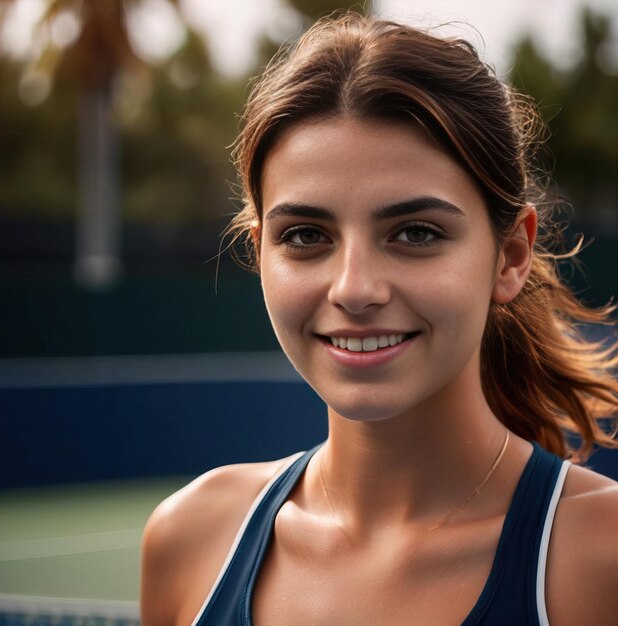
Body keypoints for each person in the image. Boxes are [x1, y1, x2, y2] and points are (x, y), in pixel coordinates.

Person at [141, 13, 618, 626]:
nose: (355, 288)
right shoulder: (190, 538)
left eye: (415, 232)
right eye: (306, 235)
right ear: (260, 254)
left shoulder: (600, 559)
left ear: (511, 255)